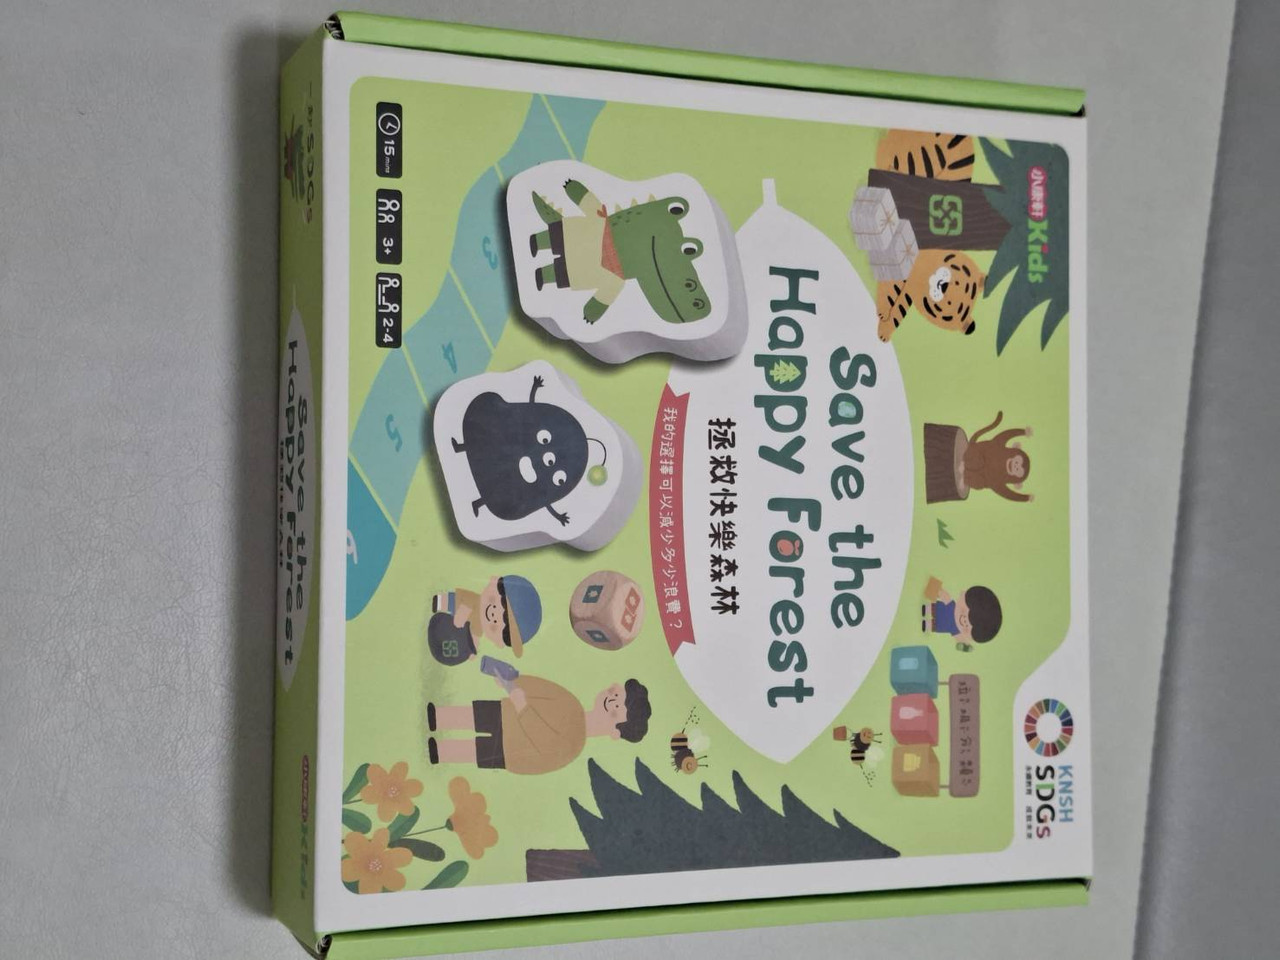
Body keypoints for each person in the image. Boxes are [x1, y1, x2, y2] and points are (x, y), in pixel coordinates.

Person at [426, 673, 651, 775]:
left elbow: (542, 740)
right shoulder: (572, 702)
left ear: (615, 732)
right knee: (474, 716)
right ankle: (438, 717)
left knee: (474, 751)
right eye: (616, 695)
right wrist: (512, 680)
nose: (612, 701)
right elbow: (543, 690)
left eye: (617, 709)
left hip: (512, 750)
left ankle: (440, 752)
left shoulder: (573, 745)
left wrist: (523, 707)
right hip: (507, 711)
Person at [427, 574, 541, 666]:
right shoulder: (472, 600)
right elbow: (456, 600)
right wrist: (450, 606)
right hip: (441, 625)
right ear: (493, 582)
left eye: (494, 626)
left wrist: (471, 647)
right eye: (493, 600)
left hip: (449, 643)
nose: (492, 613)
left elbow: (474, 635)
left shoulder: (477, 629)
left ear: (499, 643)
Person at [921, 576, 1002, 652]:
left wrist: (965, 647)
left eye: (966, 627)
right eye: (963, 610)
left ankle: (926, 624)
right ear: (963, 595)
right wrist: (936, 589)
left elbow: (960, 641)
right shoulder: (952, 606)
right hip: (937, 609)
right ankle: (926, 610)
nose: (963, 620)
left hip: (939, 625)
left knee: (932, 625)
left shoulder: (956, 629)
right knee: (931, 609)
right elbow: (943, 595)